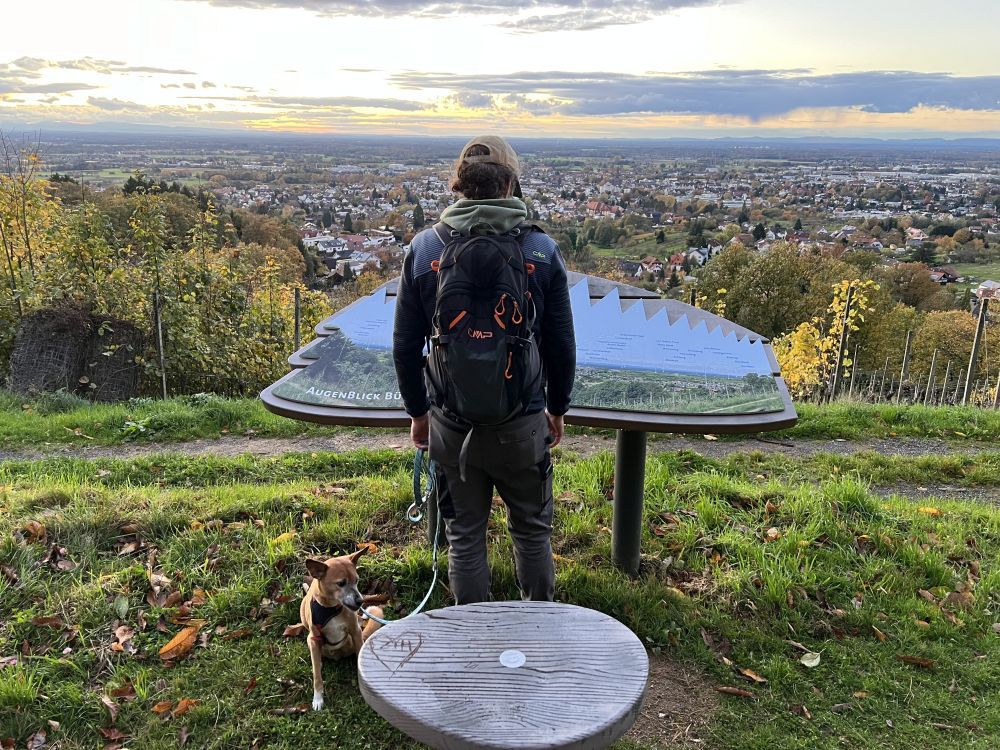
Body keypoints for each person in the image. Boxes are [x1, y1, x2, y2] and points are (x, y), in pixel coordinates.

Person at [392, 135, 576, 604]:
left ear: (458, 184)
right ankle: (537, 628)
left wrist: (419, 413)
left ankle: (472, 637)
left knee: (464, 535)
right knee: (532, 532)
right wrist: (556, 407)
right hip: (522, 420)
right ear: (511, 183)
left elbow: (405, 343)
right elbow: (560, 342)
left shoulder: (425, 249)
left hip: (452, 423)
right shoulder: (540, 250)